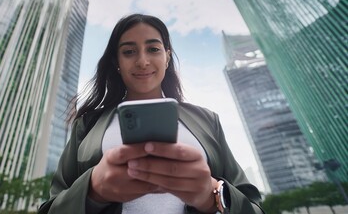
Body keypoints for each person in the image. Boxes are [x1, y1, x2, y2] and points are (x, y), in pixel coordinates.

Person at [38, 14, 264, 214]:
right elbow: (52, 207)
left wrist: (211, 195)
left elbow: (253, 205)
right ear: (117, 62)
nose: (142, 61)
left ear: (167, 57)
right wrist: (92, 191)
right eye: (129, 52)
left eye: (153, 49)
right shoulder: (87, 124)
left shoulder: (207, 120)